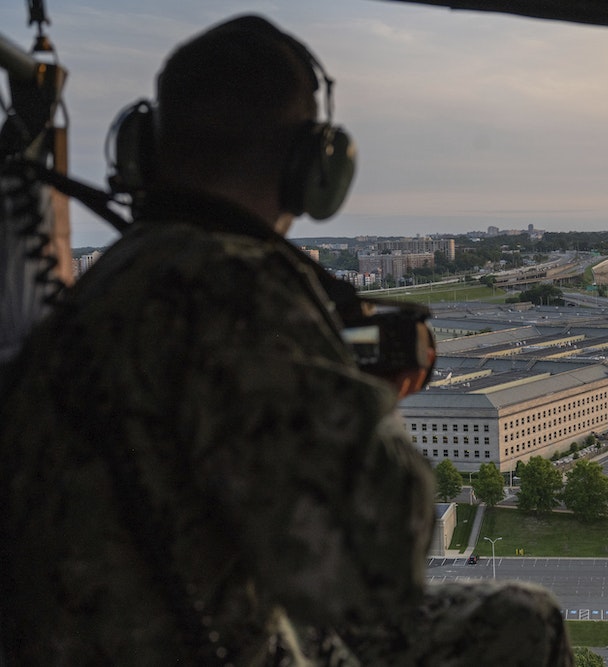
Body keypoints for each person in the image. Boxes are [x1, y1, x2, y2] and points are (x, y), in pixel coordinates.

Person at [0, 15, 572, 666]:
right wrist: (374, 400)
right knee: (523, 621)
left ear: (145, 145)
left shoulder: (102, 287)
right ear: (313, 166)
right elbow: (377, 565)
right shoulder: (240, 293)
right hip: (195, 640)